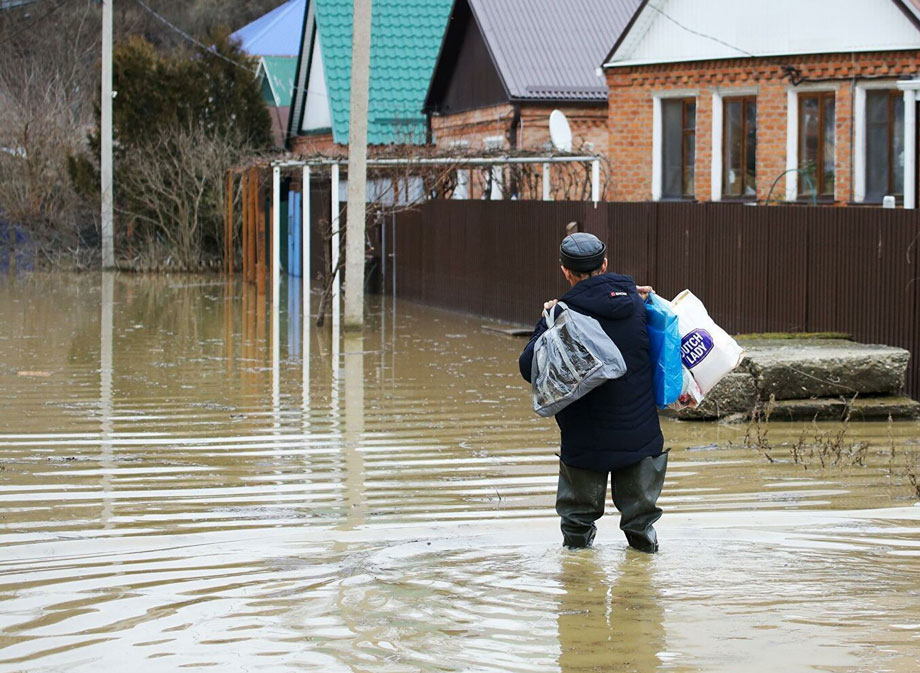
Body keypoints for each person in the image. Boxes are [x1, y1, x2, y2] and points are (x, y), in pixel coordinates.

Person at [518, 232, 668, 553]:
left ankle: (579, 591)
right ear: (604, 264)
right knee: (641, 526)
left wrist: (546, 322)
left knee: (577, 527)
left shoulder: (561, 315)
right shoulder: (638, 304)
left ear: (565, 271)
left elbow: (528, 366)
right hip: (639, 439)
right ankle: (643, 591)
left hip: (584, 442)